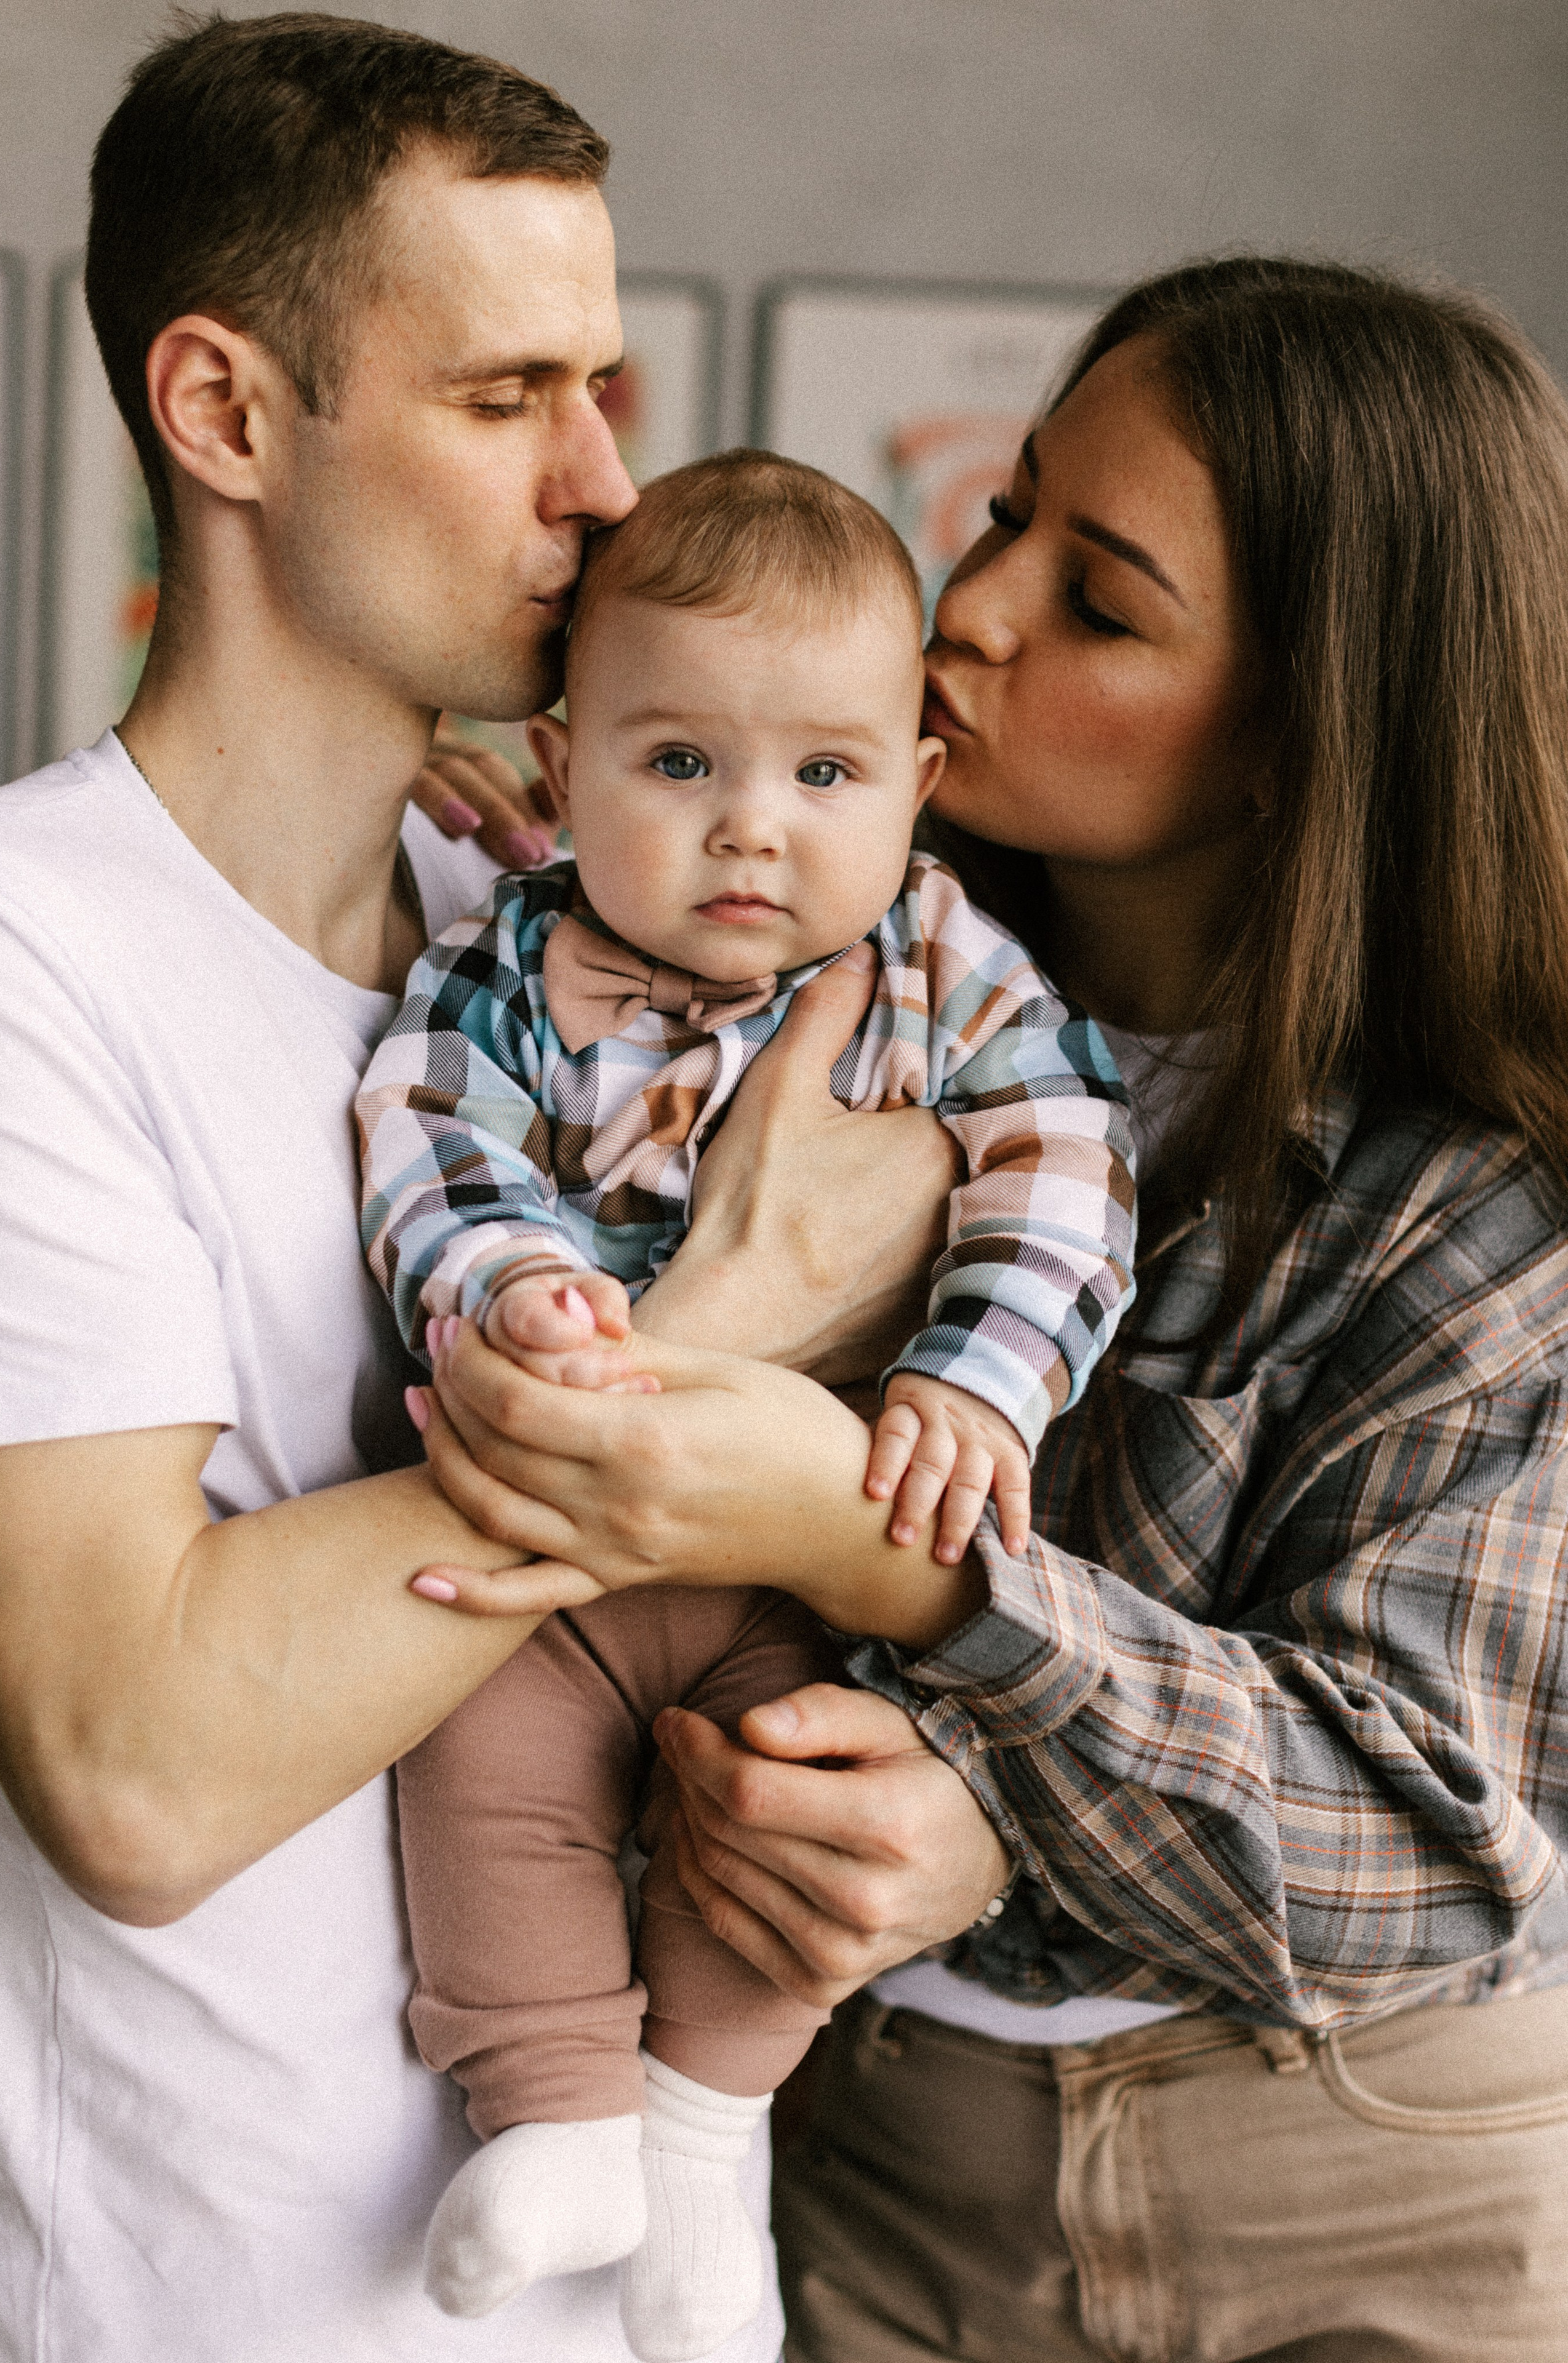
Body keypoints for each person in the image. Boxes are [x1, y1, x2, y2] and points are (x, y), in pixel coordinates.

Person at [406, 257, 1568, 2362]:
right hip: (877, 2136)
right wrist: (545, 849)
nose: (975, 608)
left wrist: (966, 1727)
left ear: (1314, 728)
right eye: (1011, 507)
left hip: (1362, 2159)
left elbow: (1435, 1841)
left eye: (1100, 599)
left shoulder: (1479, 1199)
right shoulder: (789, 967)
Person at [0, 17, 985, 2360]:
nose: (612, 484)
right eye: (505, 396)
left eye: (610, 387)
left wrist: (948, 1814)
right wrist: (712, 1329)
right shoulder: (27, 963)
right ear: (225, 414)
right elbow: (134, 1769)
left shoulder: (574, 929)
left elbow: (879, 1545)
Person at [353, 449, 1135, 2359]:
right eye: (679, 764)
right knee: (477, 1772)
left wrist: (976, 1379)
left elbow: (1069, 1169)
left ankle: (706, 2147)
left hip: (816, 1552)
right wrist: (511, 1281)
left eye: (824, 775)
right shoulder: (509, 957)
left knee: (783, 1812)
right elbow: (428, 1136)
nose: (749, 834)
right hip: (564, 1550)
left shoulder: (946, 969)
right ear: (560, 764)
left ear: (916, 791)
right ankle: (555, 2113)